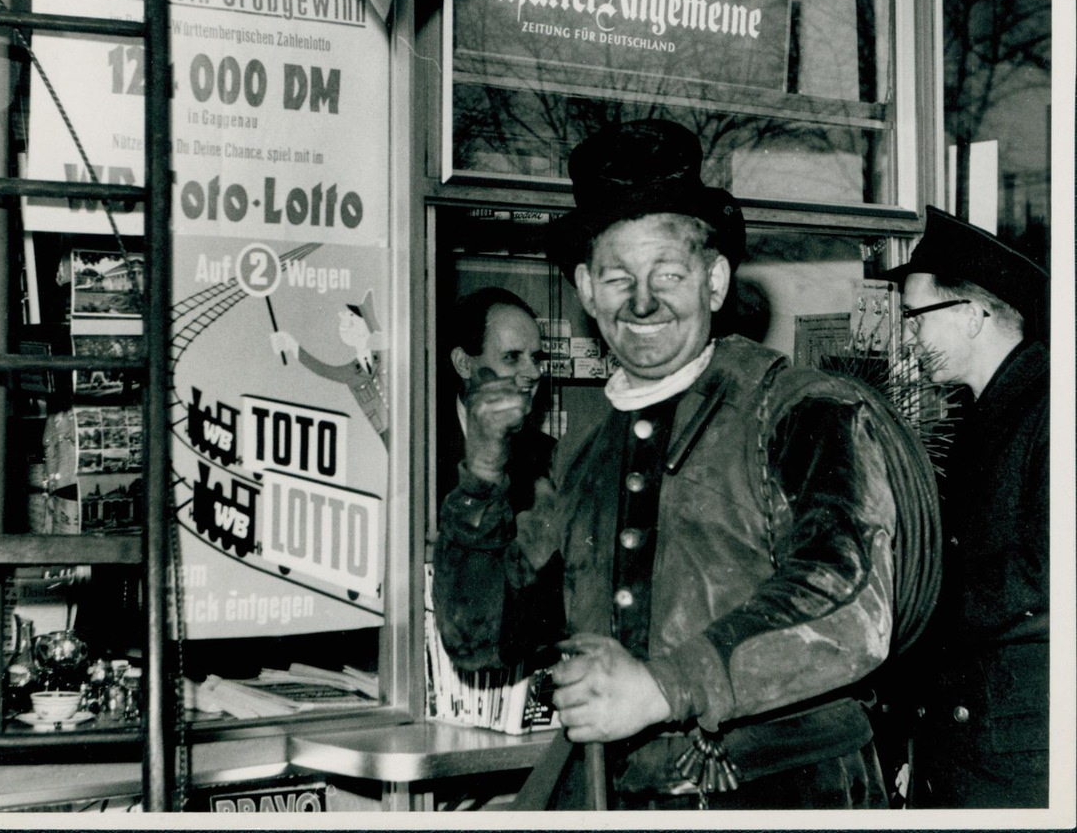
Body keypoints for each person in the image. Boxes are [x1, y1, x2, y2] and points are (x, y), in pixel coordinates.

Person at [432, 119, 941, 810]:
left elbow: (850, 600)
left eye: (667, 273)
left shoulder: (803, 409)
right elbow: (483, 642)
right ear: (586, 289)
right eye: (617, 277)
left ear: (715, 280)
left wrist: (668, 684)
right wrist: (482, 475)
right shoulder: (591, 446)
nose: (641, 301)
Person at [883, 206, 1049, 808]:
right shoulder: (988, 411)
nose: (909, 338)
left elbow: (1043, 577)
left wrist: (918, 599)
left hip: (1017, 754)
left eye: (914, 318)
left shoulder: (1050, 409)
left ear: (973, 315)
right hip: (973, 737)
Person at [437, 287, 553, 517]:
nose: (533, 372)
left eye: (535, 358)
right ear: (463, 363)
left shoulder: (549, 457)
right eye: (512, 357)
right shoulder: (422, 447)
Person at [270, 289, 389, 445]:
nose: (345, 325)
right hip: (382, 430)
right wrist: (292, 345)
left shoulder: (385, 357)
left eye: (351, 318)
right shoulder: (350, 372)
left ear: (366, 327)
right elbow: (322, 369)